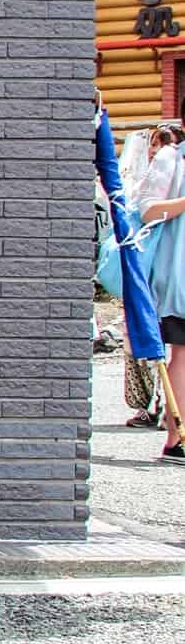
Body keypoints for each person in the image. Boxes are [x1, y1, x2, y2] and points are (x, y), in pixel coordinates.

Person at [138, 122, 185, 459]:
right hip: (180, 270)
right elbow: (148, 210)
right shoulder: (172, 158)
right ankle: (177, 436)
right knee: (182, 351)